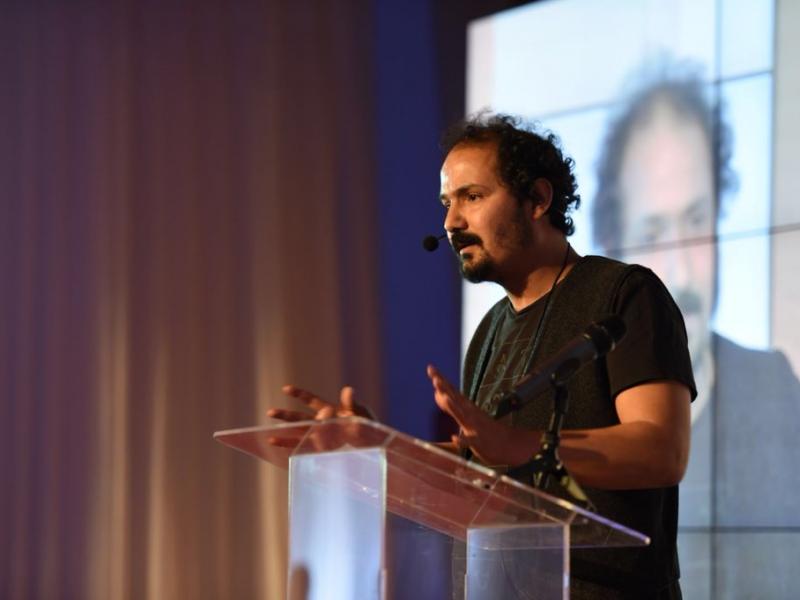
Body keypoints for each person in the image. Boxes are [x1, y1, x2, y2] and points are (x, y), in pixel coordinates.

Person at [270, 114, 695, 598]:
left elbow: (662, 451)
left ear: (538, 199)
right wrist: (380, 451)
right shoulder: (491, 329)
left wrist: (521, 446)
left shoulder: (623, 294)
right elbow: (480, 466)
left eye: (472, 197)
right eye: (447, 203)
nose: (451, 222)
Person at [592, 74, 800, 529]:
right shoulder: (579, 410)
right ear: (613, 248)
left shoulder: (777, 391)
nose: (682, 273)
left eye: (696, 220)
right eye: (652, 235)